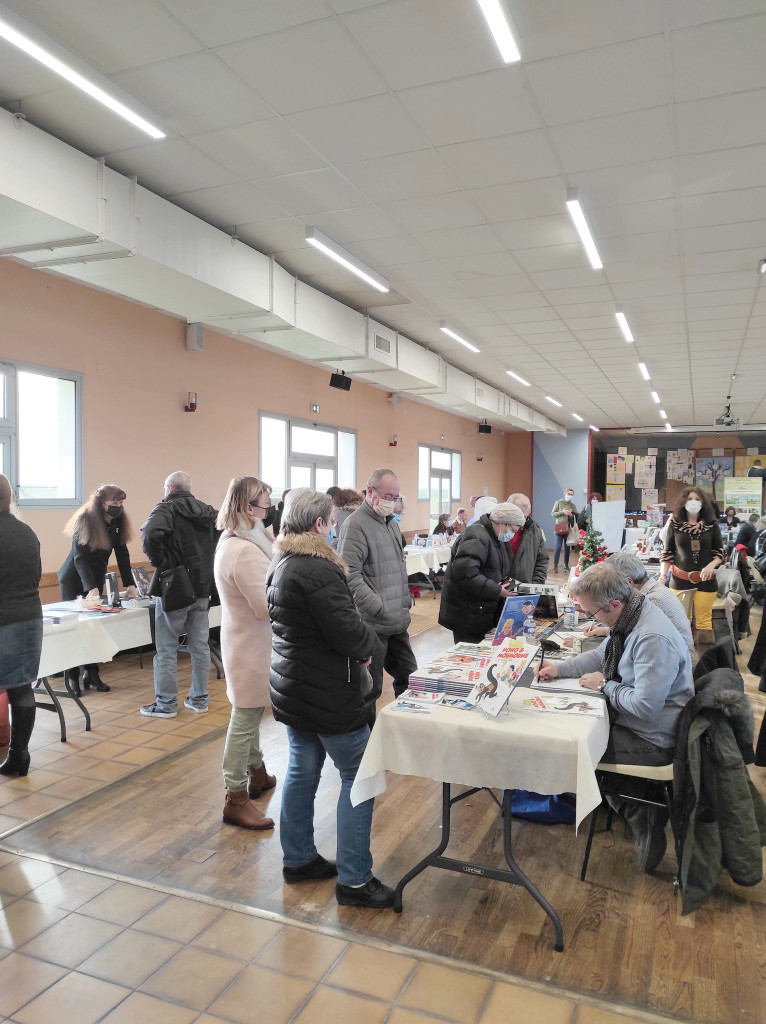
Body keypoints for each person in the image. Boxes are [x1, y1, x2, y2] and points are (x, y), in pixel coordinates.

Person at [267, 488, 394, 908]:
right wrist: (372, 641)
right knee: (360, 776)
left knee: (302, 772)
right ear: (320, 524)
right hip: (327, 692)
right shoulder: (318, 569)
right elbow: (348, 634)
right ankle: (355, 880)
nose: (336, 526)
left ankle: (299, 858)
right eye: (333, 520)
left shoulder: (281, 561)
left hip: (294, 689)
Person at [535, 563, 693, 873]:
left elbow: (646, 707)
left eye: (593, 614)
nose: (592, 620)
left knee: (571, 748)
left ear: (615, 605)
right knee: (573, 735)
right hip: (639, 724)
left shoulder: (651, 637)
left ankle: (640, 815)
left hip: (653, 740)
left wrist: (605, 684)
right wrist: (561, 669)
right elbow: (602, 655)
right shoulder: (633, 614)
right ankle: (635, 804)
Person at [214, 476, 277, 831]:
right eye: (266, 506)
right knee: (244, 719)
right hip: (250, 645)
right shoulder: (243, 549)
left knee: (249, 715)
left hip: (247, 642)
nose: (269, 513)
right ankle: (235, 797)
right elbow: (265, 606)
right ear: (248, 508)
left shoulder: (240, 540)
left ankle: (258, 774)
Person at [140, 471, 218, 718]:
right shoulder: (207, 511)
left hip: (174, 586)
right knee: (200, 645)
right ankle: (199, 698)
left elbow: (150, 534)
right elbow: (220, 532)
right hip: (203, 586)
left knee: (166, 648)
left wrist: (161, 562)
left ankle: (166, 704)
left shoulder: (166, 509)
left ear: (169, 488)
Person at [337, 468, 416, 702]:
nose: (392, 503)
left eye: (395, 498)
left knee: (411, 679)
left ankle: (406, 730)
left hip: (397, 620)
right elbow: (349, 574)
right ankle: (369, 738)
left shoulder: (389, 523)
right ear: (370, 491)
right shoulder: (355, 525)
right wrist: (377, 606)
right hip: (374, 623)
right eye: (388, 497)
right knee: (371, 690)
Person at [58, 483, 138, 694]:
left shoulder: (118, 521)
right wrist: (91, 588)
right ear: (101, 503)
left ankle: (92, 673)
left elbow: (122, 554)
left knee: (95, 628)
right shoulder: (85, 519)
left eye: (121, 503)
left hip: (95, 579)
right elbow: (80, 558)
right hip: (75, 579)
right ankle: (72, 676)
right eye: (114, 503)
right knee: (74, 629)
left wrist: (130, 583)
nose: (118, 506)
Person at [0, 475, 41, 777]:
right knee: (21, 689)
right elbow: (36, 575)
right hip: (28, 617)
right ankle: (19, 755)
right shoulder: (27, 532)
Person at [581, 551, 694, 658]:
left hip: (673, 665)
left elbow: (633, 640)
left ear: (629, 582)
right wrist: (604, 631)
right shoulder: (654, 589)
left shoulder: (651, 601)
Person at [438, 502, 523, 644]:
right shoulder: (477, 535)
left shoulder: (496, 537)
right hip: (467, 613)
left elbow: (497, 568)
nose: (512, 535)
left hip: (481, 609)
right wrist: (496, 590)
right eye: (513, 530)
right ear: (503, 523)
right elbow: (466, 574)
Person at [660, 487, 725, 647]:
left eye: (697, 499)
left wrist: (711, 565)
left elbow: (720, 552)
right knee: (681, 622)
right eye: (689, 499)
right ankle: (683, 662)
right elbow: (667, 552)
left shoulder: (711, 525)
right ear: (683, 502)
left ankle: (704, 664)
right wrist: (662, 576)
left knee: (704, 621)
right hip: (679, 579)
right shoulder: (674, 523)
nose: (693, 502)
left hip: (706, 581)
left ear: (703, 502)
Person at [506, 492, 549, 583]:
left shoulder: (535, 531)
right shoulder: (498, 529)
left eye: (524, 516)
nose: (520, 520)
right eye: (517, 515)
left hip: (524, 588)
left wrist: (536, 585)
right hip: (498, 588)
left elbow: (542, 561)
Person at [551, 488, 578, 573]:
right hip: (559, 527)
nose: (569, 495)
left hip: (568, 528)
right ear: (564, 494)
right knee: (558, 547)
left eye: (571, 494)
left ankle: (566, 565)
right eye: (568, 493)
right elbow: (553, 514)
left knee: (567, 548)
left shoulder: (572, 505)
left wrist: (570, 514)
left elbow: (576, 515)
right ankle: (555, 566)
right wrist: (562, 512)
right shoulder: (558, 502)